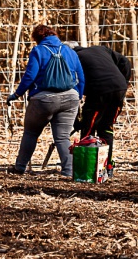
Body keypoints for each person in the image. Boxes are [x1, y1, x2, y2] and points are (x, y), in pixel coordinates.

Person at [6, 25, 85, 177]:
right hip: (70, 98)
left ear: (37, 38)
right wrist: (78, 96)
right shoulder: (70, 51)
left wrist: (17, 94)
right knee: (62, 137)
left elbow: (30, 76)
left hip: (43, 100)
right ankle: (69, 171)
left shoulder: (38, 51)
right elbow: (80, 77)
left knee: (31, 133)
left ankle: (20, 168)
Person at [63, 42, 131, 178]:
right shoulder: (101, 49)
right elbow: (125, 61)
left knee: (88, 128)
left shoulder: (73, 58)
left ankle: (86, 169)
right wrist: (124, 80)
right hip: (120, 88)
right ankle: (108, 167)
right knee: (106, 128)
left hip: (99, 90)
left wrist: (77, 119)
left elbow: (73, 89)